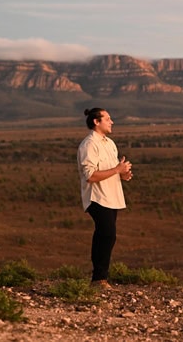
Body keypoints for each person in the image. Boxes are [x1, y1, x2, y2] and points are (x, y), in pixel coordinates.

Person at [77, 107, 133, 289]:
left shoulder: (109, 143)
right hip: (97, 197)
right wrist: (117, 170)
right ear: (96, 121)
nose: (112, 122)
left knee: (106, 236)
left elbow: (111, 171)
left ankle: (100, 278)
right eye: (108, 119)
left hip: (112, 196)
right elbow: (90, 175)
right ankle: (99, 279)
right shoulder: (89, 145)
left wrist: (122, 174)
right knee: (107, 234)